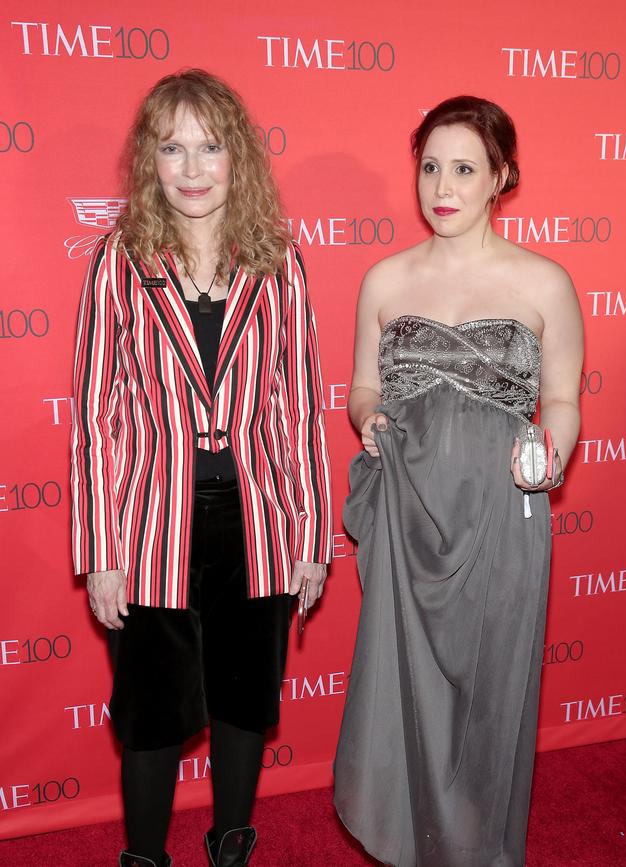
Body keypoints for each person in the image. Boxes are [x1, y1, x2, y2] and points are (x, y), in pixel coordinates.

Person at [70, 69, 332, 867]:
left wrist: (312, 535)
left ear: (238, 156)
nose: (191, 167)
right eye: (172, 147)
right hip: (151, 525)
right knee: (150, 713)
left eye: (209, 146)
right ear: (150, 159)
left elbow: (297, 408)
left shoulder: (278, 261)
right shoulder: (120, 260)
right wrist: (103, 550)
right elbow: (95, 417)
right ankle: (145, 858)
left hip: (256, 522)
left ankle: (231, 848)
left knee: (246, 703)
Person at [334, 96, 583, 867]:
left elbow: (567, 401)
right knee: (410, 695)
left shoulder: (544, 282)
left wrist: (552, 452)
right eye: (431, 166)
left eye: (465, 169)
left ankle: (480, 849)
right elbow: (360, 390)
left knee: (491, 696)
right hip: (411, 515)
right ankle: (412, 844)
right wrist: (369, 417)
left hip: (502, 515)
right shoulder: (384, 279)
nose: (442, 186)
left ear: (501, 176)